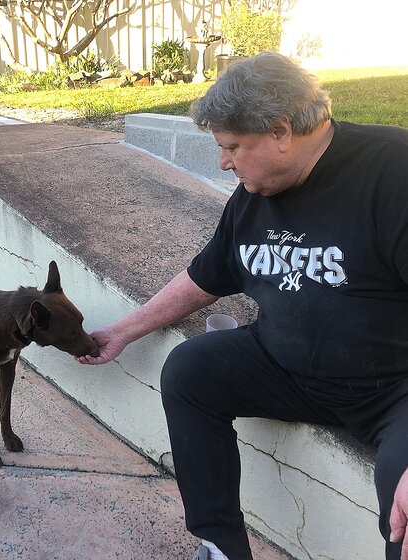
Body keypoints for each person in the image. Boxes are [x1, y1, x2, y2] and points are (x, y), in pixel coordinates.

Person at [75, 51, 408, 560]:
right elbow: (206, 276)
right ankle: (221, 545)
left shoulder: (392, 172)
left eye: (232, 147)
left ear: (281, 132)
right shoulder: (256, 190)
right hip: (288, 369)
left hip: (393, 394)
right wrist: (124, 330)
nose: (223, 163)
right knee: (191, 369)